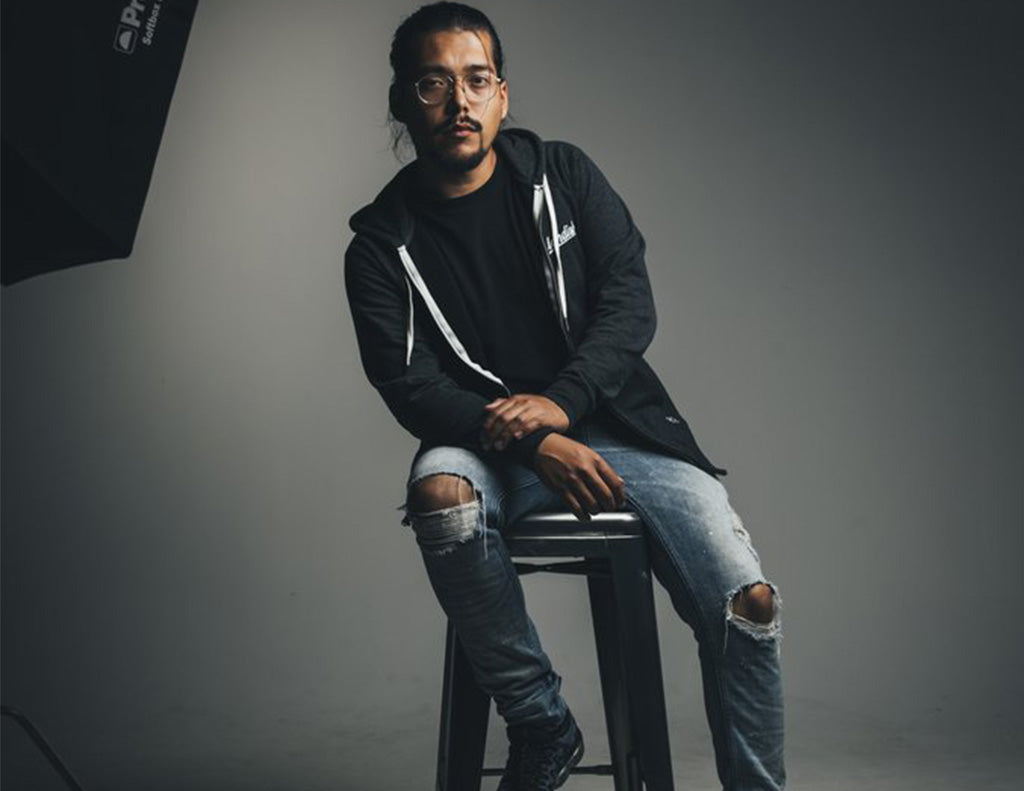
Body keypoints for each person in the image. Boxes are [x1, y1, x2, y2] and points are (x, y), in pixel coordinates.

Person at [343, 3, 785, 789]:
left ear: (503, 95)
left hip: (613, 426)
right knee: (441, 494)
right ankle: (543, 723)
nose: (460, 102)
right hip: (477, 438)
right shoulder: (380, 244)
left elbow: (629, 302)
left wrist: (563, 403)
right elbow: (408, 386)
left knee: (746, 602)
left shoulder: (563, 177)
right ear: (402, 102)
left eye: (477, 80)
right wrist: (533, 439)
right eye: (434, 83)